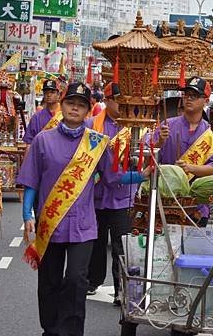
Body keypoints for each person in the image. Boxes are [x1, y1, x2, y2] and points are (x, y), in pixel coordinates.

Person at [17, 82, 151, 336]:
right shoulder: (43, 141)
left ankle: (72, 331)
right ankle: (51, 329)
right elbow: (31, 180)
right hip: (51, 222)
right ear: (63, 105)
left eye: (81, 105)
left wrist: (141, 176)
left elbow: (112, 177)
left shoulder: (96, 144)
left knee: (77, 280)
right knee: (49, 281)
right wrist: (27, 215)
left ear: (87, 110)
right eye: (71, 103)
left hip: (83, 224)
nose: (74, 109)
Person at [85, 83, 136, 304]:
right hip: (96, 194)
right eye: (117, 98)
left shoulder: (136, 126)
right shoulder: (91, 126)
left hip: (123, 195)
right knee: (95, 242)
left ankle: (120, 289)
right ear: (107, 100)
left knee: (120, 246)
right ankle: (92, 281)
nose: (121, 103)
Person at [147, 76, 213, 226]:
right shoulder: (167, 126)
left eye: (194, 96)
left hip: (196, 204)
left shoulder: (211, 133)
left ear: (206, 100)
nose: (189, 99)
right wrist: (160, 141)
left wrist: (192, 168)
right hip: (166, 199)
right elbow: (149, 159)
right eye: (186, 95)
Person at [23, 79, 62, 146]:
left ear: (58, 95)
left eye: (52, 92)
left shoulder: (65, 114)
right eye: (46, 92)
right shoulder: (37, 117)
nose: (49, 95)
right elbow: (29, 143)